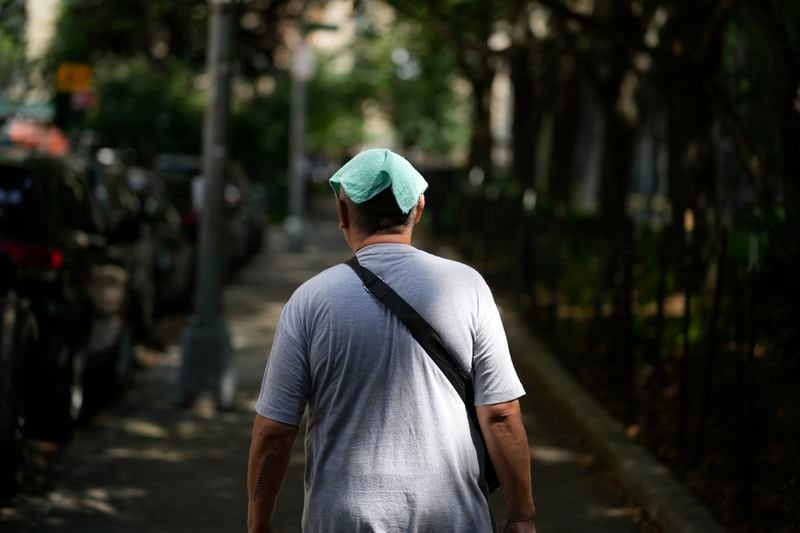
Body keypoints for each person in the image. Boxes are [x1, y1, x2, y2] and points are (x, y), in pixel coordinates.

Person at [247, 149, 536, 533]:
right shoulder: (468, 287)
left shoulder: (310, 300)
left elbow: (273, 433)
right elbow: (501, 414)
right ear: (418, 209)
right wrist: (521, 516)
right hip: (453, 520)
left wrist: (258, 523)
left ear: (343, 213)